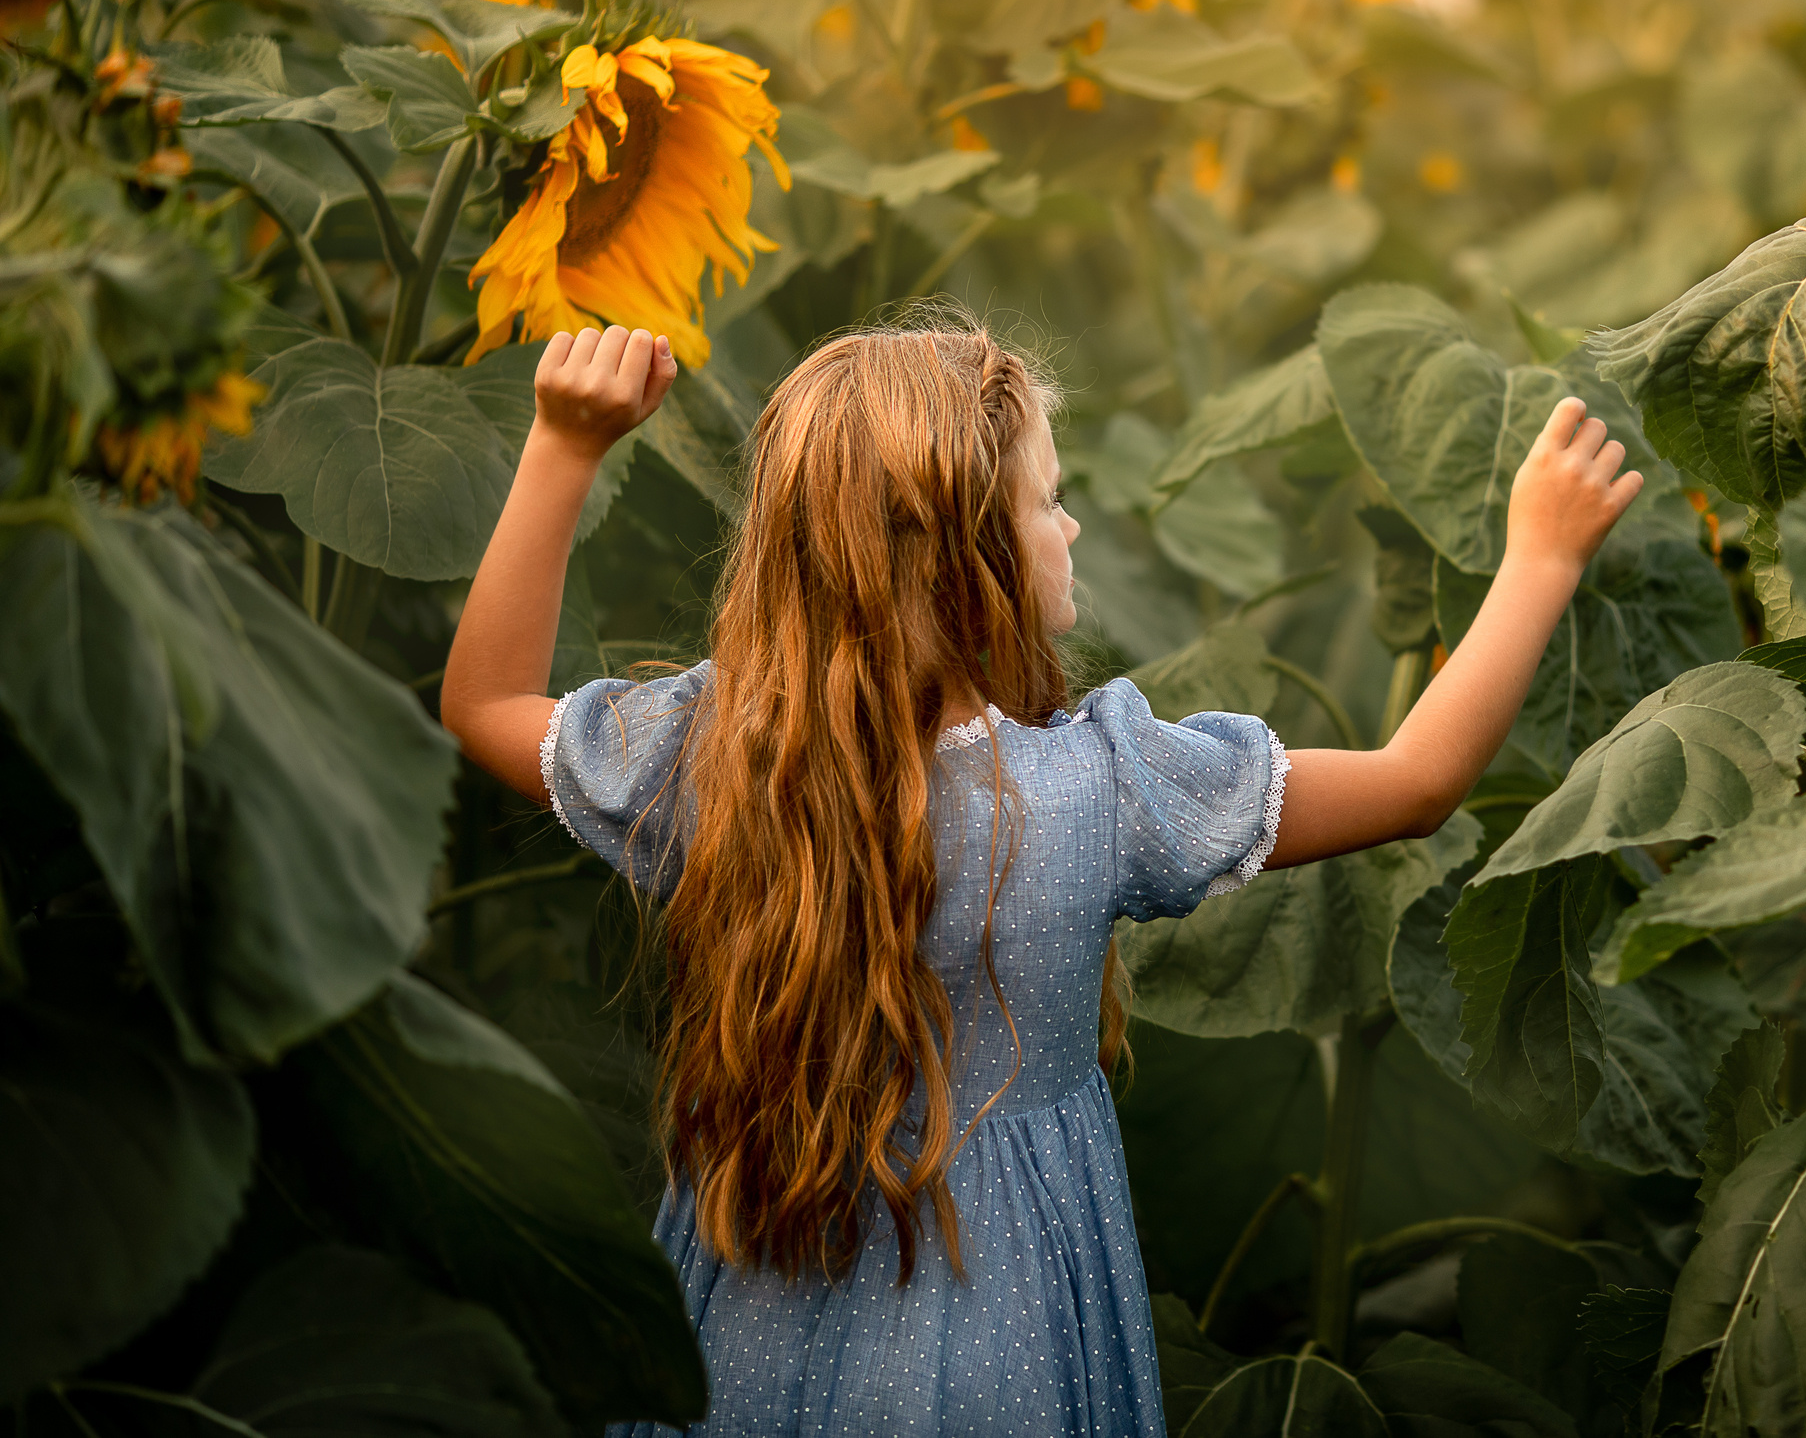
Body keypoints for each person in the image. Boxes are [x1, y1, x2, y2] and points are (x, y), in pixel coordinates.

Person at [440, 321, 1640, 1438]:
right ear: (964, 558)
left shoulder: (720, 764)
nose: (1068, 530)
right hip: (1004, 1318)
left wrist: (565, 443)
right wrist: (1538, 555)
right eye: (1048, 504)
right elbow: (1418, 781)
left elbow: (486, 701)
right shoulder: (1099, 786)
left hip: (749, 1324)